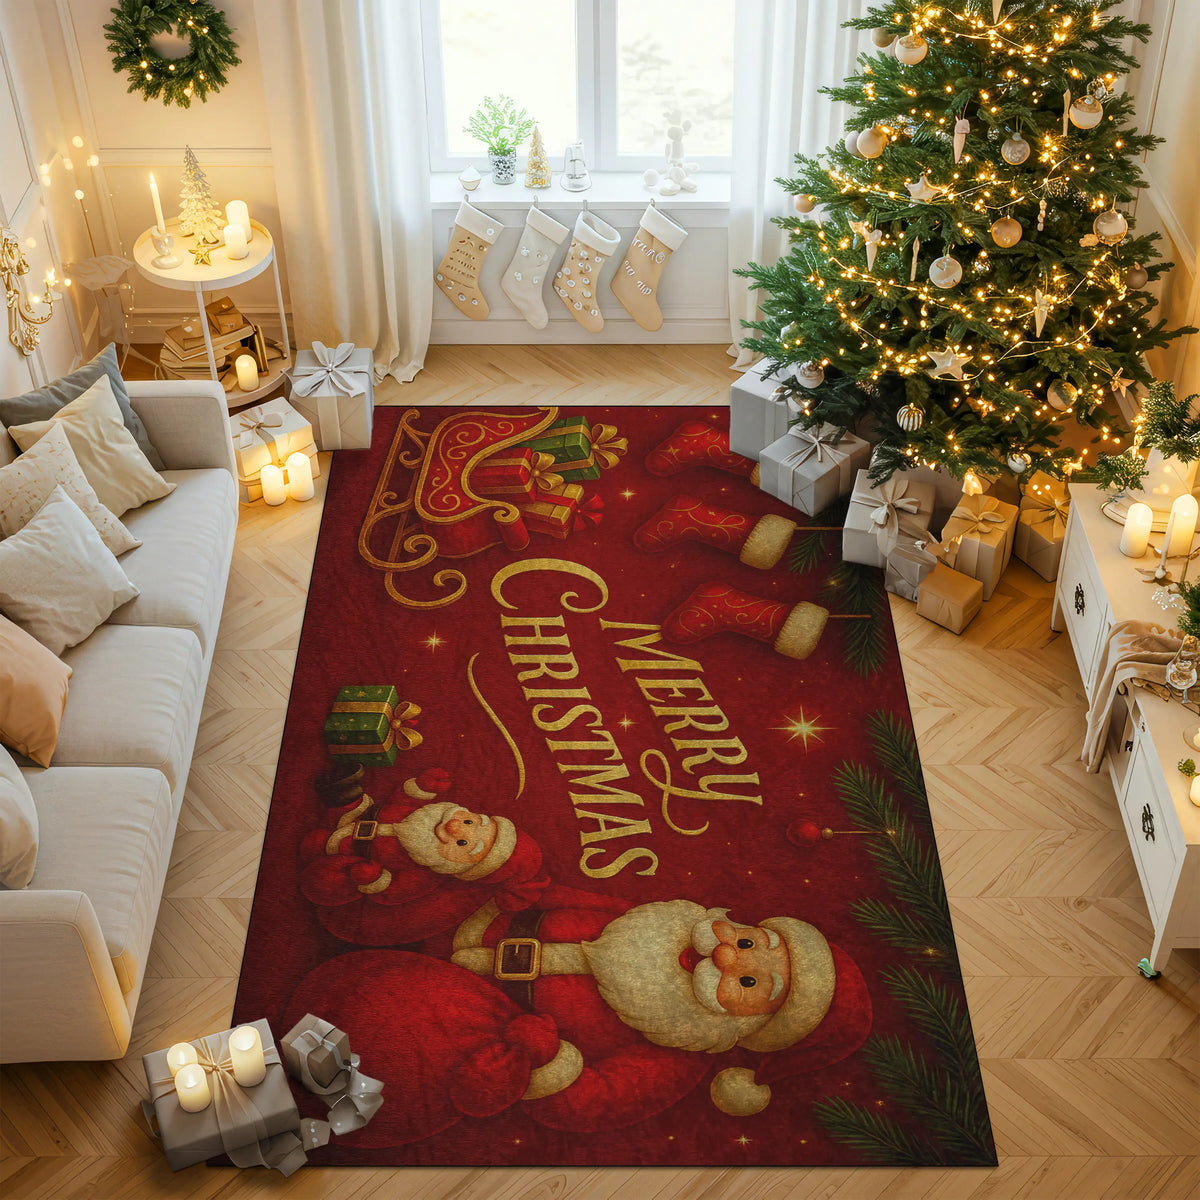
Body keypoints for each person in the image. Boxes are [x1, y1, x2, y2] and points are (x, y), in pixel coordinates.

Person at [282, 890, 872, 1146]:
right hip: (461, 934)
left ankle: (272, 1093)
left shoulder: (678, 1052)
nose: (724, 956)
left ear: (755, 1029)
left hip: (470, 1032)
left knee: (392, 1032)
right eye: (747, 942)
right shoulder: (655, 922)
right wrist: (518, 897)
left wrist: (545, 1059)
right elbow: (572, 901)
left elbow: (594, 1103)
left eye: (748, 982)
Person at [298, 765, 549, 945]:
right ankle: (341, 791)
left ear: (461, 869)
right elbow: (404, 801)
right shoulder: (422, 817)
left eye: (462, 843)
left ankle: (318, 872)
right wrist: (421, 788)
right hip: (358, 817)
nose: (454, 826)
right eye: (470, 822)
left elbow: (395, 892)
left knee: (326, 869)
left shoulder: (424, 875)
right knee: (351, 801)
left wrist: (373, 878)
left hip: (351, 857)